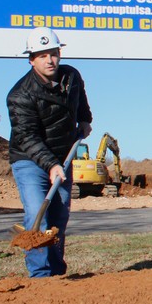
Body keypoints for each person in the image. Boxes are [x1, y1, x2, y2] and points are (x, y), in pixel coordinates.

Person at [7, 27, 93, 277]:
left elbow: (81, 101)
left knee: (58, 217)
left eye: (53, 53)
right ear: (31, 59)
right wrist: (50, 165)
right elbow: (27, 136)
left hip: (63, 157)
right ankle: (40, 275)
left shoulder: (72, 77)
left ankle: (56, 272)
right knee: (38, 214)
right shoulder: (20, 95)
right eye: (42, 55)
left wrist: (85, 119)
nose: (50, 60)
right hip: (29, 159)